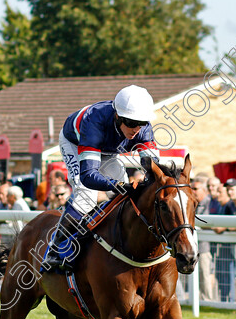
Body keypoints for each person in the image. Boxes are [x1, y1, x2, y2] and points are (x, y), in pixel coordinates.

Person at [42, 85, 159, 271]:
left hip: (108, 151)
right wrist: (120, 184)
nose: (136, 129)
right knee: (85, 195)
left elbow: (153, 168)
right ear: (118, 116)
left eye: (141, 123)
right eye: (131, 123)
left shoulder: (143, 128)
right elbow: (89, 176)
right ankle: (55, 250)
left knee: (124, 197)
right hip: (75, 143)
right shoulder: (94, 122)